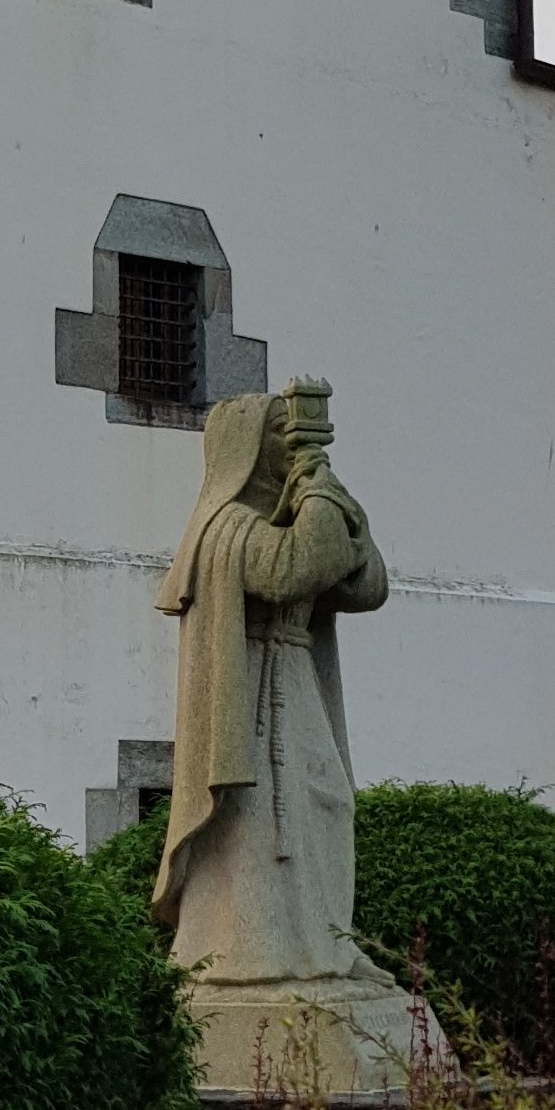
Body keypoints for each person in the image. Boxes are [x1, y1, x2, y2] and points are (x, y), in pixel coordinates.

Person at [152, 376, 391, 1004]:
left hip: (294, 682)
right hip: (251, 695)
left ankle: (327, 946)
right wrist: (318, 489)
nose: (293, 449)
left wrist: (325, 489)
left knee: (327, 806)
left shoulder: (292, 515)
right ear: (249, 450)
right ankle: (255, 955)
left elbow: (367, 587)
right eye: (282, 438)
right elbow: (293, 569)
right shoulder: (227, 526)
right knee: (257, 828)